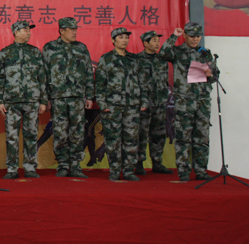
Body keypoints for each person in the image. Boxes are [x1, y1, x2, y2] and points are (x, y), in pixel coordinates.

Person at [159, 22, 217, 181]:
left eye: (198, 36)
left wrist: (211, 74)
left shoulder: (205, 53)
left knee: (202, 137)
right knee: (183, 137)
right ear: (185, 35)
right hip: (184, 102)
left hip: (202, 101)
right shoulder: (177, 52)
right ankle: (183, 172)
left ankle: (201, 170)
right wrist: (173, 36)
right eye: (192, 36)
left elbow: (215, 77)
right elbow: (163, 54)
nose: (195, 39)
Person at [42, 17, 94, 178]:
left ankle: (75, 165)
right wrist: (46, 98)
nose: (74, 32)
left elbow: (88, 73)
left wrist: (90, 96)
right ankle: (63, 165)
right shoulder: (50, 48)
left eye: (75, 29)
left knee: (77, 131)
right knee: (60, 131)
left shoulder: (82, 48)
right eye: (71, 29)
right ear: (61, 30)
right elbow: (44, 75)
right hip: (57, 98)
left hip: (77, 97)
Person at [0, 20, 47, 179]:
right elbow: (0, 78)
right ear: (16, 33)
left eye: (29, 30)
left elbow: (42, 77)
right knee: (11, 136)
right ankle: (12, 168)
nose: (28, 33)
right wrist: (0, 101)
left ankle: (30, 167)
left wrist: (43, 100)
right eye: (25, 30)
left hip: (32, 100)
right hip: (12, 101)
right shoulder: (6, 52)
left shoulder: (35, 52)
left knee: (31, 134)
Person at [95, 27, 148, 181]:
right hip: (112, 106)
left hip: (132, 106)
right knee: (113, 140)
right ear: (113, 40)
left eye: (126, 37)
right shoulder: (106, 59)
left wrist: (144, 100)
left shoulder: (134, 59)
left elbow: (143, 82)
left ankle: (129, 170)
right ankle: (114, 170)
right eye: (121, 37)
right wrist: (102, 103)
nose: (124, 40)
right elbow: (100, 84)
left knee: (131, 139)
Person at [135, 31, 173, 175]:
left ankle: (157, 162)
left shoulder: (161, 59)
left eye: (158, 41)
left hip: (160, 103)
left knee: (159, 134)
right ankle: (139, 163)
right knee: (141, 135)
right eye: (154, 41)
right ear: (145, 43)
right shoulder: (137, 60)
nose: (157, 43)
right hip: (144, 104)